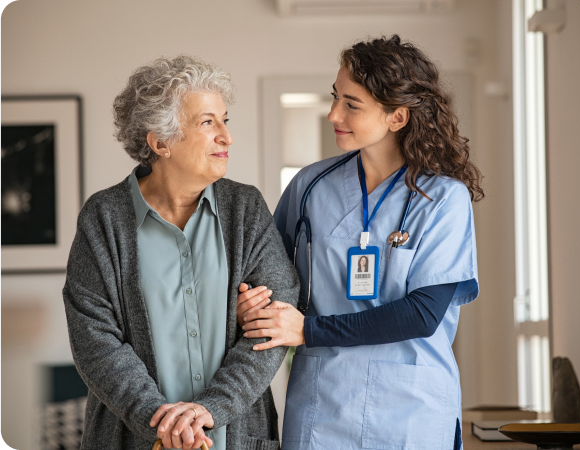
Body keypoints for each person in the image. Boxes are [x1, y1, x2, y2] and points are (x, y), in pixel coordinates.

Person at [237, 35, 482, 450]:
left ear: (397, 117)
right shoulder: (309, 187)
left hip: (411, 410)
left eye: (352, 104)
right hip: (323, 405)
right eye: (336, 97)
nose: (333, 113)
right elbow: (269, 276)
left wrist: (308, 330)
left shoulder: (442, 199)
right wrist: (253, 302)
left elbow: (423, 314)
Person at [62, 55, 299, 450]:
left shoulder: (245, 208)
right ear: (160, 142)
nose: (226, 136)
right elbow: (95, 340)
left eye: (225, 120)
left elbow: (274, 322)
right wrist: (162, 423)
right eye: (208, 122)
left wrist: (211, 410)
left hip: (236, 437)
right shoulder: (103, 218)